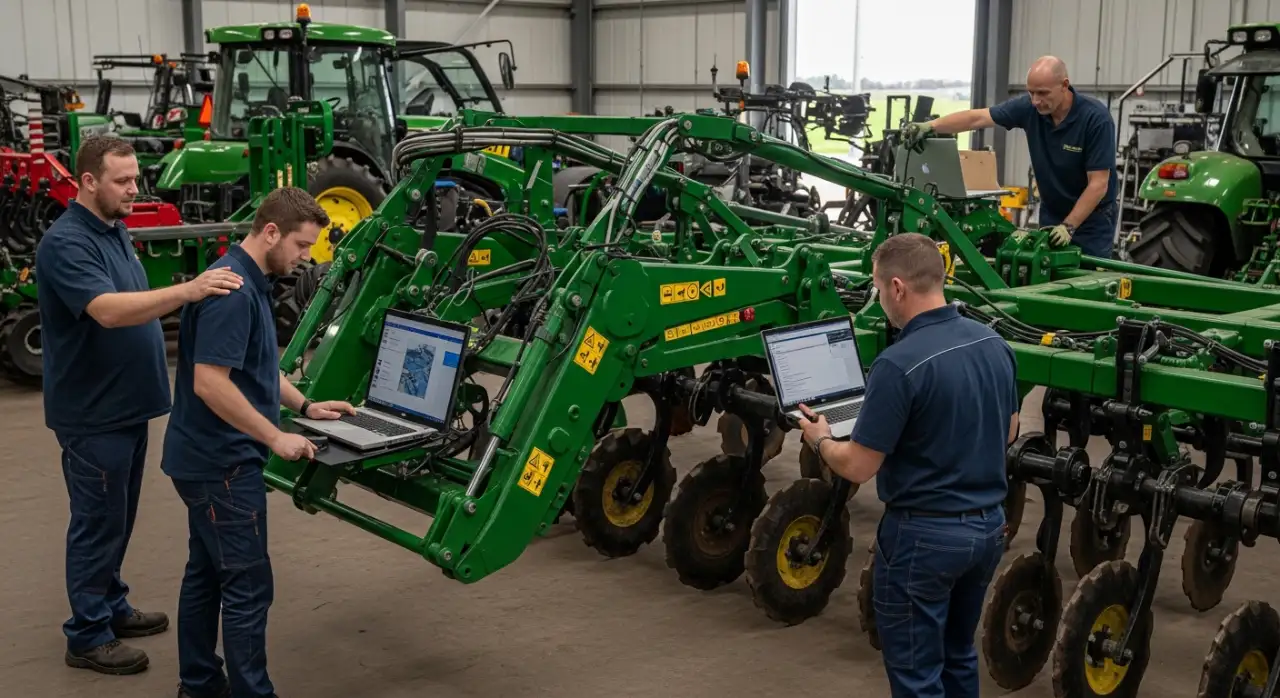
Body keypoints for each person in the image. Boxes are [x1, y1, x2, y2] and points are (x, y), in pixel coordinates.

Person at [35, 135, 244, 675]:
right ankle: (86, 634)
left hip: (126, 408)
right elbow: (107, 310)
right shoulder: (66, 243)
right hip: (94, 413)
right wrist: (189, 290)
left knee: (118, 517)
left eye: (134, 178)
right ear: (87, 182)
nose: (135, 189)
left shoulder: (115, 229)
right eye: (122, 181)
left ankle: (109, 604)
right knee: (97, 521)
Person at [795, 233, 1020, 698]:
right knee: (958, 655)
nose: (879, 301)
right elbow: (1011, 430)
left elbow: (857, 467)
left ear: (897, 287)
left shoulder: (897, 365)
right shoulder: (995, 344)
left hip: (925, 541)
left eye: (878, 290)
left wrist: (820, 440)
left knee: (917, 675)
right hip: (987, 532)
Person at [161, 186, 355, 698]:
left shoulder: (244, 276)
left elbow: (256, 367)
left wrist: (307, 407)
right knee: (247, 587)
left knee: (205, 575)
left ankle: (199, 684)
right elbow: (210, 382)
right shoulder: (235, 293)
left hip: (201, 458)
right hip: (221, 464)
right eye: (301, 245)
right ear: (270, 232)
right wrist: (275, 437)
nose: (306, 257)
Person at [902, 55, 1119, 259]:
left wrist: (1069, 226)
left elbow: (1098, 184)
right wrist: (930, 126)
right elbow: (977, 118)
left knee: (1089, 280)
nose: (1035, 101)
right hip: (1053, 212)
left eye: (1043, 93)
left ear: (1064, 85)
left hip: (1091, 220)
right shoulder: (1030, 108)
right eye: (1031, 93)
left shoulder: (1095, 119)